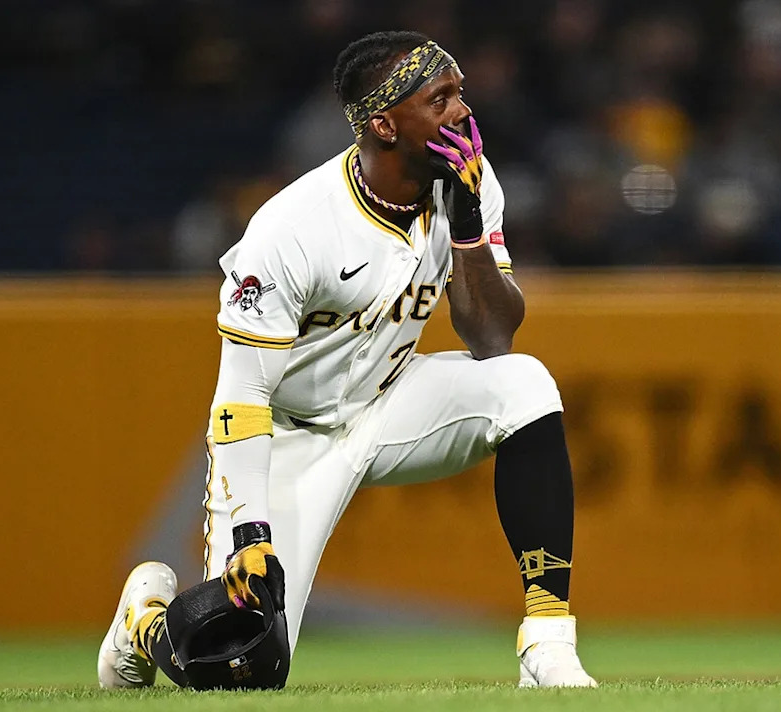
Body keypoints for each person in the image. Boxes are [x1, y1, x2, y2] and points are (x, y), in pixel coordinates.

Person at [98, 30, 597, 690]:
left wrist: (469, 224)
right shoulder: (292, 227)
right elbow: (241, 398)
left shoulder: (469, 184)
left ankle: (547, 646)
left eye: (461, 94)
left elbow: (492, 338)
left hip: (391, 401)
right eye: (440, 98)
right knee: (245, 670)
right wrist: (250, 535)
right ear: (385, 124)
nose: (462, 113)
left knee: (524, 382)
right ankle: (146, 623)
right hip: (287, 434)